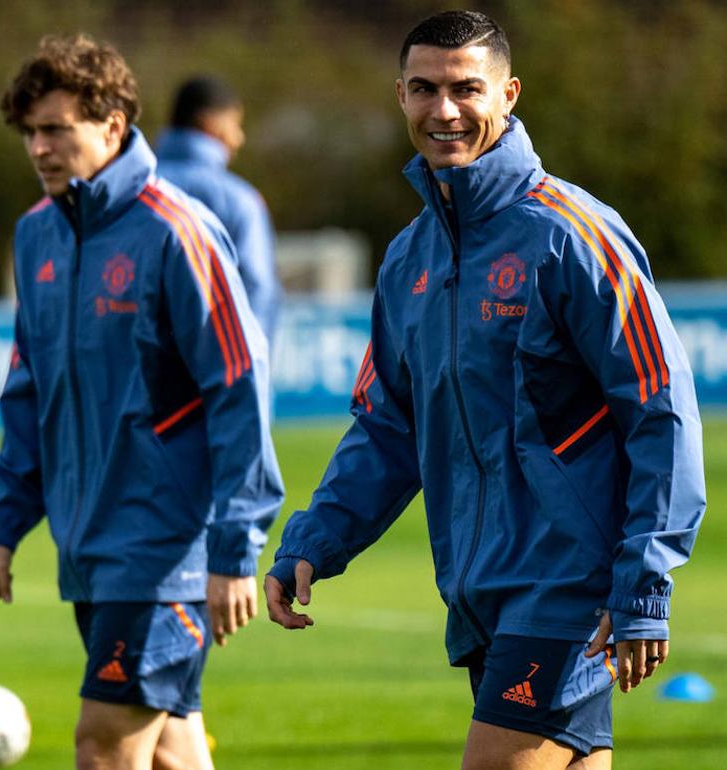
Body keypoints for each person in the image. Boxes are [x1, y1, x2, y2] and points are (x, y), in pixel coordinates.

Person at [265, 11, 704, 770]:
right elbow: (386, 428)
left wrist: (645, 579)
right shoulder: (408, 260)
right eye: (425, 89)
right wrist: (316, 539)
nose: (445, 110)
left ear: (508, 94)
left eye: (467, 88)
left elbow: (659, 411)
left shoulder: (572, 235)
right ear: (400, 95)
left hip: (569, 582)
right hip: (477, 588)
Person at [0, 34, 283, 770]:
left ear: (112, 126)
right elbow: (30, 393)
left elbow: (238, 386)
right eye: (31, 133)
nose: (40, 149)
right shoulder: (36, 235)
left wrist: (235, 548)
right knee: (173, 753)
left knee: (104, 746)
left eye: (57, 130)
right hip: (90, 544)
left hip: (165, 548)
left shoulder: (176, 229)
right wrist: (2, 524)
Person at [156, 76, 283, 346]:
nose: (239, 138)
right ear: (210, 123)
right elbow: (257, 291)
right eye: (235, 124)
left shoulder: (132, 189)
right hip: (214, 374)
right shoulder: (238, 200)